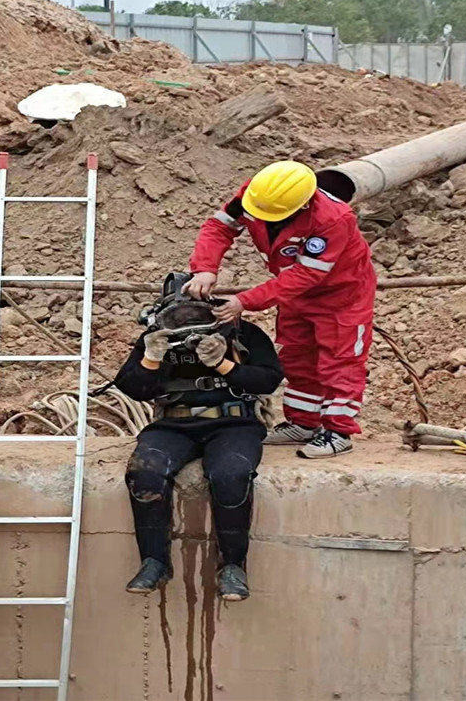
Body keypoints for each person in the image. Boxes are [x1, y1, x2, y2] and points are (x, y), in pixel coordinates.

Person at [185, 160, 377, 458]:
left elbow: (308, 274)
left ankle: (339, 431)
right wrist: (205, 269)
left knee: (340, 359)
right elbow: (219, 226)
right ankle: (304, 423)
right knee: (297, 355)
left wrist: (244, 301)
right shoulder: (258, 195)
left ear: (301, 206)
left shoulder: (333, 218)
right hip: (294, 294)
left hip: (342, 296)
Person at [113, 273, 283, 600]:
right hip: (174, 425)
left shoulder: (242, 334)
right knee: (144, 470)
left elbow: (268, 380)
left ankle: (233, 565)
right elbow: (131, 387)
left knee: (230, 474)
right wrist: (151, 358)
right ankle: (154, 561)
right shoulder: (157, 338)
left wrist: (224, 365)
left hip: (233, 423)